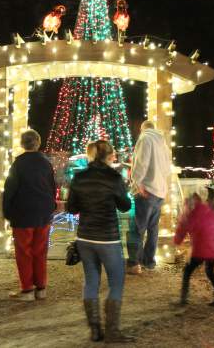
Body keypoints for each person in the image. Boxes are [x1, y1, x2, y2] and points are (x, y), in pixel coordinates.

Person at [67, 140, 135, 343]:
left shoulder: (79, 177)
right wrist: (126, 194)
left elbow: (72, 208)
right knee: (116, 282)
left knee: (91, 281)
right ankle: (112, 331)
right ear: (110, 156)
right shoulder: (114, 177)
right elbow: (124, 206)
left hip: (85, 237)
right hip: (107, 238)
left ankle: (95, 330)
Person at [2, 129, 56, 301]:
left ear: (22, 144)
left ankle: (27, 290)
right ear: (38, 142)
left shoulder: (18, 164)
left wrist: (7, 212)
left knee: (24, 252)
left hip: (22, 213)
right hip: (43, 213)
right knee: (40, 251)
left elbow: (10, 189)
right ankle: (41, 288)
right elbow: (52, 187)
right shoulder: (46, 163)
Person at [126, 120, 172, 274]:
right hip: (159, 191)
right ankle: (149, 262)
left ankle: (134, 263)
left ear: (142, 129)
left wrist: (137, 183)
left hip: (146, 190)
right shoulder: (163, 142)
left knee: (137, 228)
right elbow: (167, 168)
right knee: (153, 229)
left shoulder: (145, 138)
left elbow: (141, 163)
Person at [173, 188, 214, 307]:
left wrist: (177, 241)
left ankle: (183, 298)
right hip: (213, 250)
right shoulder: (211, 213)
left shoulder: (190, 215)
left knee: (187, 271)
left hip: (199, 251)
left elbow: (181, 229)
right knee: (210, 272)